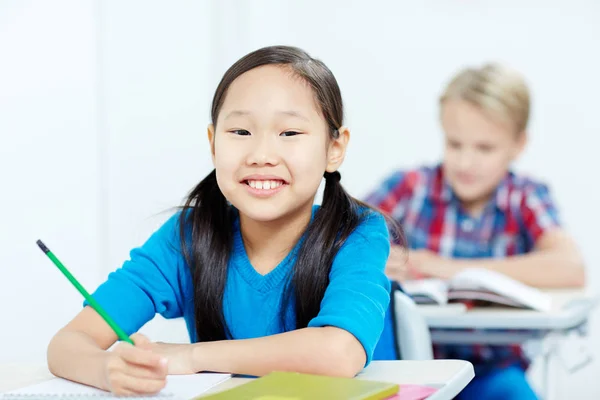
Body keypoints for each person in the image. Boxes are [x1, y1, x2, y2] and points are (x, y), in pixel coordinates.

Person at [47, 45, 392, 396]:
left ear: (335, 148)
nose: (261, 156)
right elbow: (67, 344)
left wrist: (192, 356)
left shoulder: (358, 234)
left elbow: (339, 354)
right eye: (241, 132)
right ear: (213, 144)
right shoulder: (187, 237)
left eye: (289, 133)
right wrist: (107, 370)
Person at [365, 63, 585, 400]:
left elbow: (569, 268)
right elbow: (338, 239)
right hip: (415, 369)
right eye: (455, 144)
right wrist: (379, 257)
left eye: (484, 148)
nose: (466, 162)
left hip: (492, 374)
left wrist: (448, 268)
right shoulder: (410, 186)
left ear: (518, 144)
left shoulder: (525, 195)